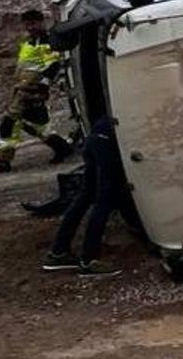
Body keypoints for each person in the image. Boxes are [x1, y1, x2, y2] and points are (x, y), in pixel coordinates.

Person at [42, 116, 136, 277]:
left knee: (84, 198)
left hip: (96, 136)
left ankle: (59, 252)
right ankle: (89, 260)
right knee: (104, 200)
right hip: (106, 140)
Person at [0, 9, 73, 173]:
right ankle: (61, 147)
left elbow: (52, 65)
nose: (30, 27)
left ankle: (2, 159)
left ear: (41, 22)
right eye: (27, 24)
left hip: (32, 90)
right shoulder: (29, 42)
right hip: (22, 89)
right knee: (34, 124)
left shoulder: (47, 42)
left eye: (33, 23)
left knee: (10, 122)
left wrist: (44, 84)